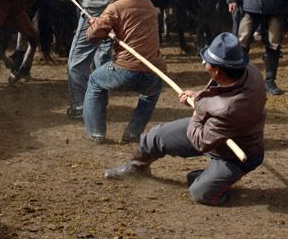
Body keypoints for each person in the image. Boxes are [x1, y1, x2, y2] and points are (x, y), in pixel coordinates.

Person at [103, 32, 266, 206]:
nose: (204, 63)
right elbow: (220, 92)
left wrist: (198, 109)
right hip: (216, 126)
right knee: (156, 135)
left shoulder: (229, 109)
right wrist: (197, 97)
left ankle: (216, 181)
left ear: (217, 71)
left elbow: (200, 141)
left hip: (236, 153)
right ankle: (136, 168)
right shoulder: (244, 69)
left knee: (202, 193)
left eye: (207, 62)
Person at [83, 0, 165, 144]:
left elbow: (92, 36)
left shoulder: (116, 7)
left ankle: (96, 132)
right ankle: (133, 133)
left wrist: (95, 24)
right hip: (154, 70)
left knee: (95, 82)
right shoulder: (149, 4)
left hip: (126, 69)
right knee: (150, 94)